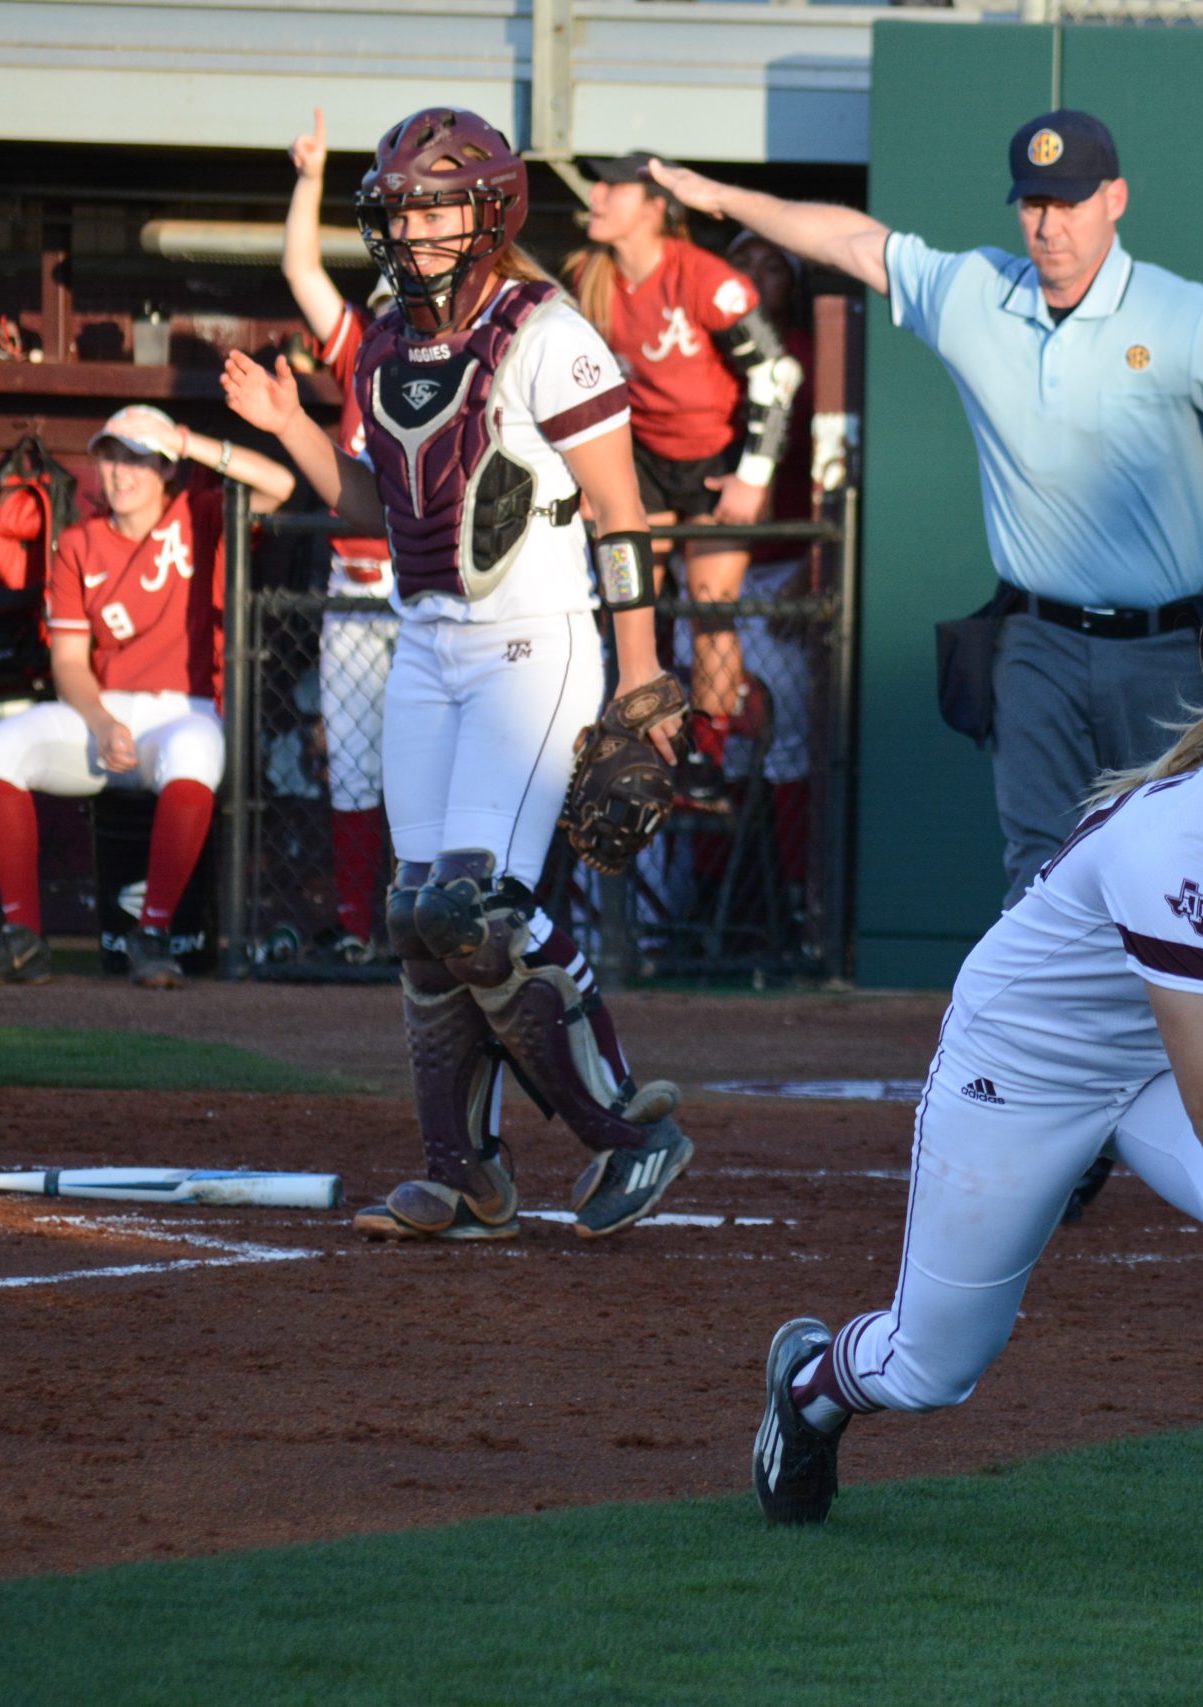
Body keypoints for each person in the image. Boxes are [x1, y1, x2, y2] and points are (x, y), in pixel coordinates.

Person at [748, 608, 1203, 1622]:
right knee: (935, 1362)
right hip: (1025, 1063)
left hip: (1172, 1051)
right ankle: (812, 1387)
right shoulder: (1175, 846)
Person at [648, 109, 1203, 909]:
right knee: (1039, 870)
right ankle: (1034, 1038)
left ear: (1114, 199)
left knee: (1172, 866)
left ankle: (1169, 1039)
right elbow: (847, 241)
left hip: (1159, 653)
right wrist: (716, 194)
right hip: (1033, 642)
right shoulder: (975, 291)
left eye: (1071, 201)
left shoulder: (1186, 315)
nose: (1050, 225)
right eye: (1034, 203)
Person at [221, 107, 696, 1242]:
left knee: (477, 910)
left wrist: (642, 688)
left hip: (535, 640)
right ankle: (465, 1178)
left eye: (434, 206)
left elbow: (624, 521)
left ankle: (634, 1133)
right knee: (414, 919)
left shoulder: (548, 331)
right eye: (398, 208)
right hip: (425, 644)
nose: (412, 227)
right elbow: (372, 510)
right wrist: (290, 425)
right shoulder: (388, 337)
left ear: (490, 213)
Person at [0, 405, 295, 989]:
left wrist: (187, 439)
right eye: (111, 456)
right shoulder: (79, 542)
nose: (120, 472)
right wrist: (102, 721)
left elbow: (279, 484)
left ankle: (152, 935)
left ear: (164, 467)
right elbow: (67, 662)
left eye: (137, 458)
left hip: (184, 710)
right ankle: (22, 938)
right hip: (102, 710)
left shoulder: (201, 513)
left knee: (196, 754)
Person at [564, 152, 801, 804]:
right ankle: (629, 733)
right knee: (630, 598)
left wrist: (753, 476)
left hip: (716, 456)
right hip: (639, 457)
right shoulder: (589, 276)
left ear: (653, 207)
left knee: (709, 604)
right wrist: (583, 474)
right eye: (600, 185)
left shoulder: (704, 277)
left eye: (615, 187)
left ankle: (709, 755)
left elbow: (777, 375)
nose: (600, 196)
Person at [278, 107, 399, 964]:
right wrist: (312, 176)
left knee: (431, 776)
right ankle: (360, 928)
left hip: (430, 590)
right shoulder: (360, 346)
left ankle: (427, 933)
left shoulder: (461, 355)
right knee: (353, 767)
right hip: (354, 588)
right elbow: (300, 266)